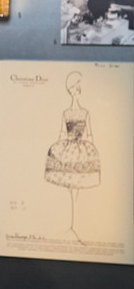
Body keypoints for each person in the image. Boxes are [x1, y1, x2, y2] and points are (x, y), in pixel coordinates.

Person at [45, 71, 100, 239]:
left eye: (78, 87)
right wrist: (58, 151)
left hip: (80, 149)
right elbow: (62, 133)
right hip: (70, 149)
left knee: (76, 186)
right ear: (72, 89)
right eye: (76, 87)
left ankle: (76, 224)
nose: (77, 90)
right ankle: (72, 224)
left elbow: (89, 134)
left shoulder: (85, 112)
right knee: (71, 186)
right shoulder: (67, 113)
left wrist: (91, 152)